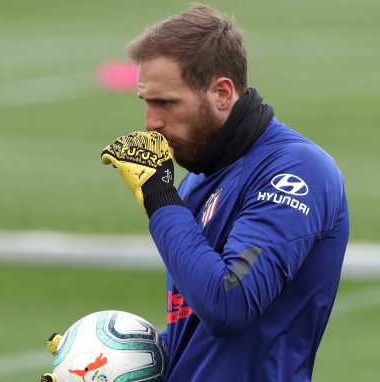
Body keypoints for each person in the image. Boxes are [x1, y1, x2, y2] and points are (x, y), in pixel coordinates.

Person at [101, 3, 349, 381]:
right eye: (146, 102)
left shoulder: (296, 172)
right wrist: (105, 357)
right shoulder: (198, 179)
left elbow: (230, 301)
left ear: (221, 92)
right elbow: (195, 329)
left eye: (166, 102)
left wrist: (160, 198)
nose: (151, 123)